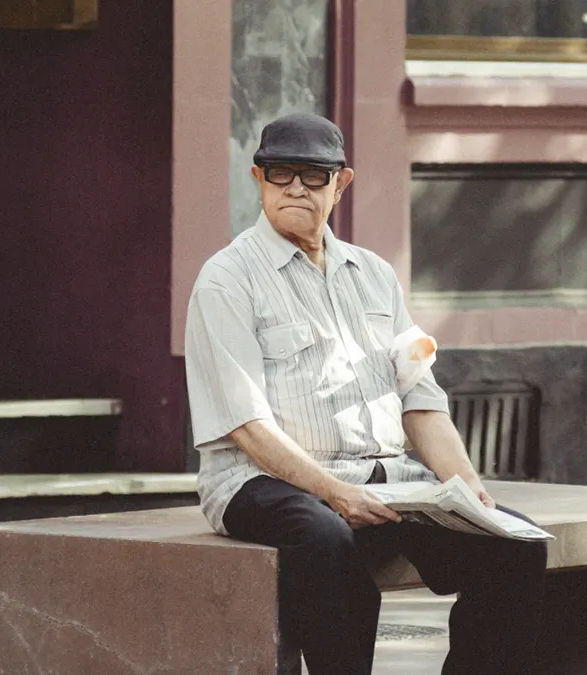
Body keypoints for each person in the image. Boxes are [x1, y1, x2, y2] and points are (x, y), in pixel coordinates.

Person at [184, 112, 546, 675]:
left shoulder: (373, 274)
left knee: (514, 547)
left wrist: (465, 486)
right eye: (281, 174)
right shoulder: (227, 279)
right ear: (258, 178)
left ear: (341, 183)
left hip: (385, 480)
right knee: (326, 539)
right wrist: (333, 492)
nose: (296, 188)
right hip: (260, 482)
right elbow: (245, 425)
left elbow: (419, 397)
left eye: (314, 174)